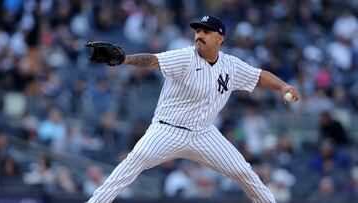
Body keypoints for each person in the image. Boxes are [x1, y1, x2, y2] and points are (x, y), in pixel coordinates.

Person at [86, 15, 299, 203]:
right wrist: (124, 59)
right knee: (134, 161)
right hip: (167, 130)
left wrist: (283, 86)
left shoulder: (231, 66)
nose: (199, 35)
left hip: (204, 134)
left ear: (220, 38)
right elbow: (152, 60)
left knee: (244, 171)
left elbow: (258, 76)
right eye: (197, 31)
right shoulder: (186, 57)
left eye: (206, 31)